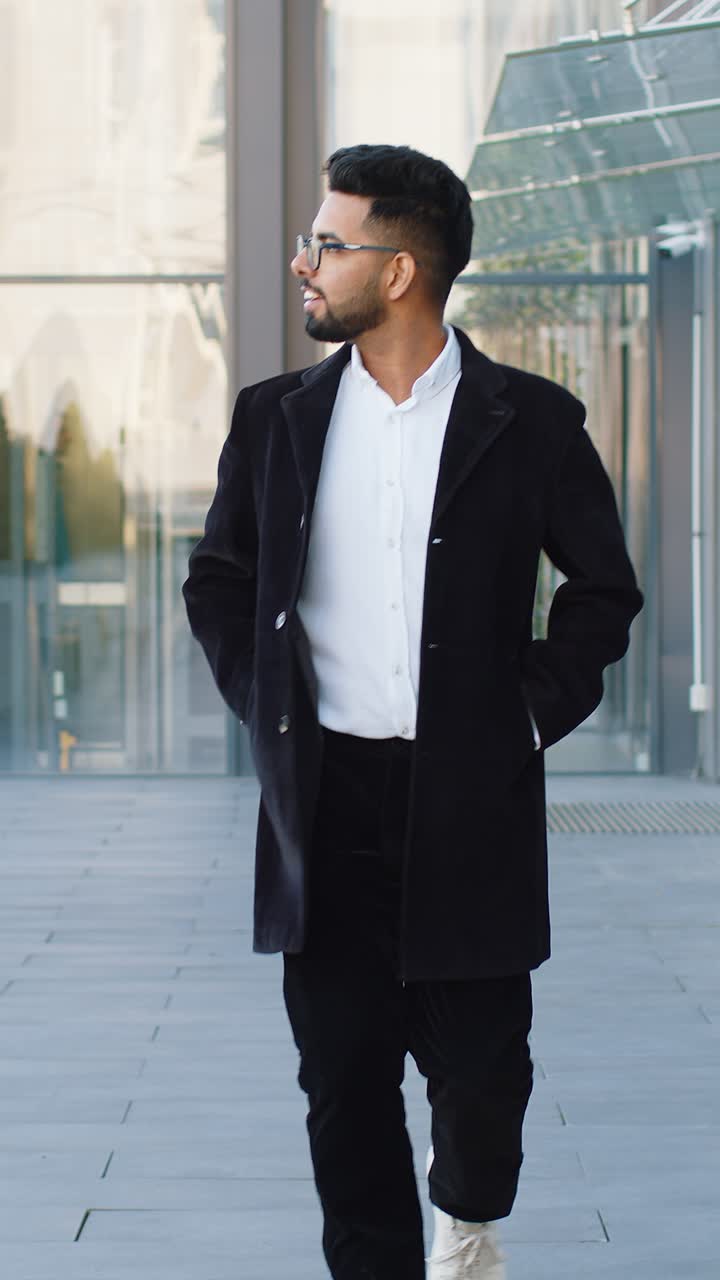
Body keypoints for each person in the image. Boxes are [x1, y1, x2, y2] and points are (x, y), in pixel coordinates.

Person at [182, 143, 643, 1280]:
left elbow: (602, 593)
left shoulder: (528, 421)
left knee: (484, 1073)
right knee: (342, 1080)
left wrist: (524, 719)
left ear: (398, 271)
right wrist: (266, 704)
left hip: (469, 797)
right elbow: (220, 580)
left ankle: (467, 1214)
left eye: (328, 244)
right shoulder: (276, 416)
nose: (306, 262)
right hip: (325, 796)